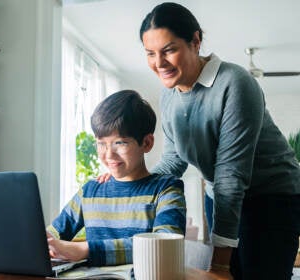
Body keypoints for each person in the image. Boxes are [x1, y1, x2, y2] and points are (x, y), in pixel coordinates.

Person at [137, 2, 300, 279]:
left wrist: (220, 267)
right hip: (219, 196)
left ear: (196, 41)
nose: (158, 62)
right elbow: (173, 160)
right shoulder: (169, 97)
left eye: (169, 50)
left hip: (272, 198)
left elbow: (231, 176)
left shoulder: (235, 83)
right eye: (150, 54)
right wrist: (132, 182)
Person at [47, 89, 186, 266]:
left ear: (147, 143)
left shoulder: (167, 189)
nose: (109, 155)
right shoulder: (90, 191)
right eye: (101, 144)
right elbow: (53, 235)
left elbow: (163, 245)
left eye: (120, 143)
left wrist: (86, 250)